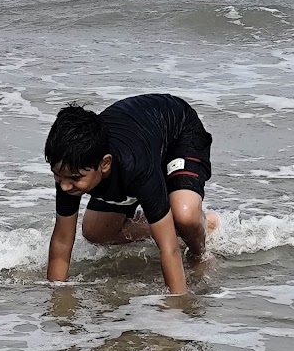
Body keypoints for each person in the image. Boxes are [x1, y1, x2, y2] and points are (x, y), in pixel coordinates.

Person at [45, 94, 215, 296]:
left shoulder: (136, 167)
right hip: (139, 138)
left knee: (184, 216)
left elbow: (168, 249)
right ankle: (167, 224)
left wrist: (177, 307)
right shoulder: (70, 166)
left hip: (179, 132)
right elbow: (62, 241)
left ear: (104, 164)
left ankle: (200, 251)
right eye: (57, 176)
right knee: (96, 232)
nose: (64, 186)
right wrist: (56, 299)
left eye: (74, 178)